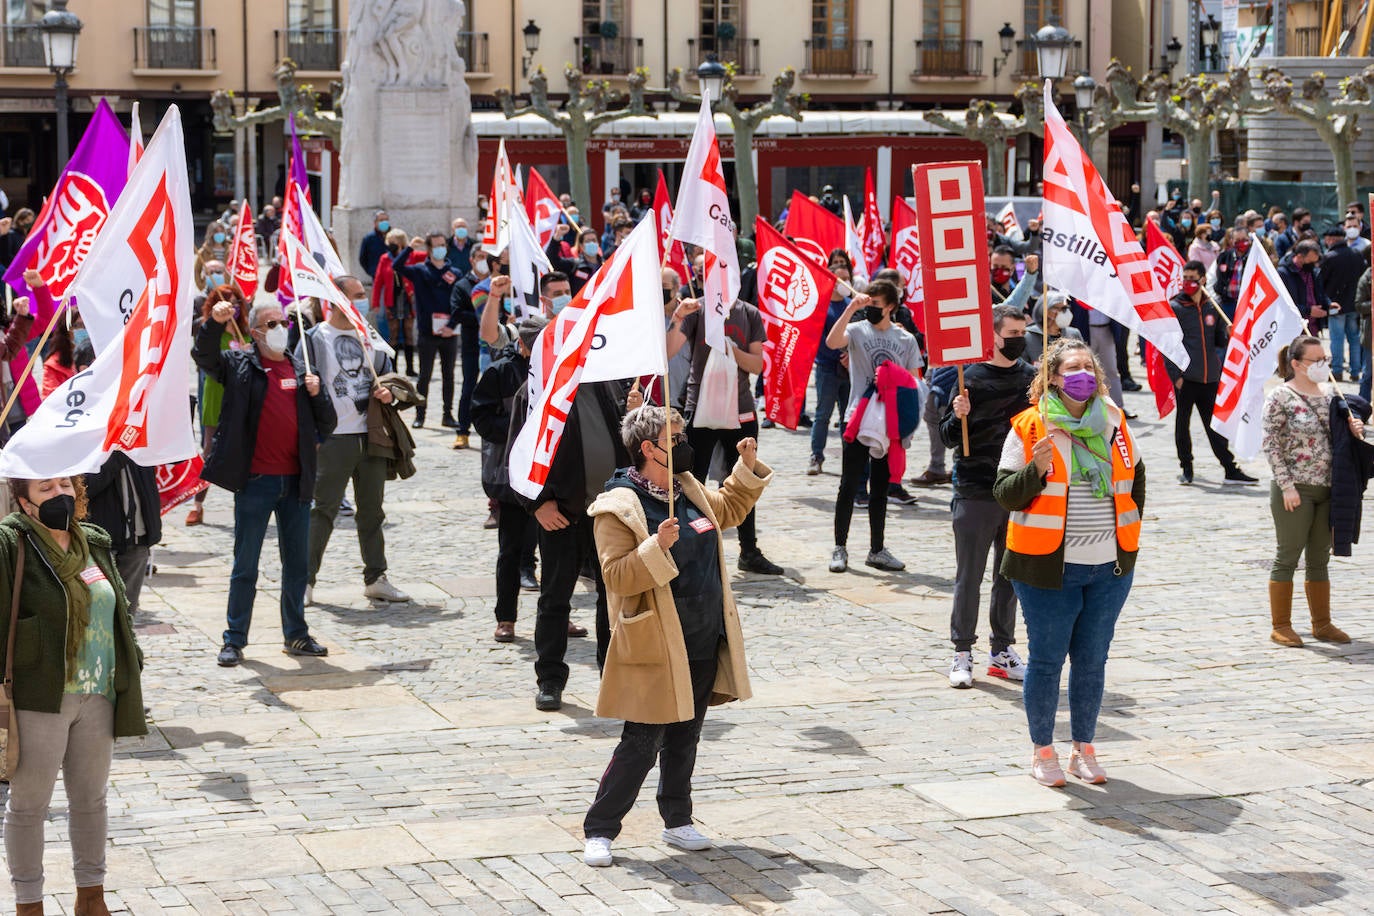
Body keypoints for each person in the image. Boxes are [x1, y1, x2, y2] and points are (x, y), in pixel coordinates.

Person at [581, 407, 770, 868]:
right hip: (657, 642)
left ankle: (677, 818)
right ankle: (600, 829)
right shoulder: (618, 507)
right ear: (648, 448)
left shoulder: (685, 485)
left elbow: (724, 511)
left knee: (687, 733)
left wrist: (744, 467)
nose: (685, 442)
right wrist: (654, 546)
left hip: (704, 633)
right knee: (642, 742)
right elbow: (616, 577)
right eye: (676, 436)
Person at [994, 339, 1146, 788]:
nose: (1082, 375)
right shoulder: (1030, 426)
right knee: (1046, 661)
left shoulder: (1115, 421)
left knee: (1093, 660)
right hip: (1046, 568)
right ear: (1054, 378)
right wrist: (1034, 470)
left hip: (1109, 567)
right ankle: (1044, 752)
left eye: (1088, 367)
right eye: (1072, 368)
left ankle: (1085, 748)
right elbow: (1005, 494)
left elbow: (1136, 480)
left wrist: (1127, 538)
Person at [1, 474, 145, 915]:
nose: (60, 494)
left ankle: (91, 897)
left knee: (91, 800)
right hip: (40, 695)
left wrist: (132, 662)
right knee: (29, 805)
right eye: (45, 488)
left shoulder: (94, 542)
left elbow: (118, 606)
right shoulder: (10, 544)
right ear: (24, 502)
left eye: (65, 484)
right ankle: (29, 903)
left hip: (98, 692)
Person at [194, 300, 337, 667]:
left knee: (297, 565)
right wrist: (214, 323)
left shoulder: (302, 365)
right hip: (256, 482)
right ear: (255, 332)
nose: (279, 327)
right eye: (271, 323)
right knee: (246, 565)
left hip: (296, 483)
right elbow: (205, 357)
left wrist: (317, 393)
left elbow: (328, 423)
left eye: (282, 321)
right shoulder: (240, 364)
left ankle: (297, 635)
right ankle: (234, 639)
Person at [512, 367, 636, 712]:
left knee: (611, 598)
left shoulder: (607, 381)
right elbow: (518, 453)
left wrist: (635, 414)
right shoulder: (537, 389)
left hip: (608, 512)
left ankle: (612, 679)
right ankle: (550, 680)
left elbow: (626, 443)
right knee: (555, 598)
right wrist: (537, 504)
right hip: (562, 515)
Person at [299, 276, 411, 607]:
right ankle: (304, 581)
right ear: (336, 300)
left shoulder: (369, 335)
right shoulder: (314, 338)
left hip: (371, 435)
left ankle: (376, 577)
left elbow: (392, 376)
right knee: (323, 510)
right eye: (357, 296)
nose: (363, 301)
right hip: (333, 439)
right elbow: (298, 382)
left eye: (364, 295)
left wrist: (390, 392)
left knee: (372, 511)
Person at [942, 304, 1036, 688]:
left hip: (1017, 490)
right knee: (970, 576)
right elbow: (948, 436)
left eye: (1023, 332)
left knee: (1009, 576)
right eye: (1013, 333)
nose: (1020, 340)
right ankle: (962, 652)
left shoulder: (1032, 378)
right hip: (975, 489)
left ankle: (1001, 651)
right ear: (993, 336)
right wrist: (957, 413)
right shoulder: (970, 378)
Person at [667, 290, 783, 576]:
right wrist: (679, 316)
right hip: (701, 407)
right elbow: (668, 351)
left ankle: (749, 550)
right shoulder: (697, 309)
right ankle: (688, 550)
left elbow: (757, 365)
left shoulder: (749, 313)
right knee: (691, 482)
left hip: (741, 409)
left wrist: (730, 348)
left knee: (745, 480)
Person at [1261, 335, 1364, 647]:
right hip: (1296, 489)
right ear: (1296, 364)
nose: (1323, 365)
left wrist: (1354, 429)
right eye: (1316, 360)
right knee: (1288, 555)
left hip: (1329, 488)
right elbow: (1270, 444)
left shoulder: (1332, 395)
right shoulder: (1280, 396)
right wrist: (1287, 486)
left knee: (1319, 557)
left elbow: (1340, 441)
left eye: (1326, 360)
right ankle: (1281, 625)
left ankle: (1322, 623)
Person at [823, 279, 921, 573]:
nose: (871, 310)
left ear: (891, 306)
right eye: (869, 303)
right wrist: (852, 306)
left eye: (876, 305)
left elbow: (915, 380)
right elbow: (831, 342)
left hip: (889, 422)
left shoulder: (905, 340)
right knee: (849, 484)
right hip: (857, 416)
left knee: (880, 487)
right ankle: (840, 547)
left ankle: (877, 549)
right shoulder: (856, 330)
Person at [473, 315, 546, 643]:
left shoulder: (561, 369)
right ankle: (506, 618)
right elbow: (482, 418)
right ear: (522, 345)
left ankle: (557, 616)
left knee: (557, 552)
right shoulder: (500, 372)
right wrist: (521, 432)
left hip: (552, 473)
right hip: (513, 474)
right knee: (511, 549)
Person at [1165, 260, 1257, 486]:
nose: (1188, 283)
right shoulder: (1176, 307)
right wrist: (1176, 375)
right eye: (1185, 278)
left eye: (1192, 279)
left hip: (1210, 378)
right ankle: (1186, 467)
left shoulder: (1211, 306)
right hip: (1186, 379)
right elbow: (1167, 345)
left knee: (1215, 425)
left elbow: (1217, 340)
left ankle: (1229, 468)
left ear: (1203, 280)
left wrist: (1228, 334)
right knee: (1182, 424)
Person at [187, 284, 251, 526]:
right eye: (227, 302)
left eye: (236, 303)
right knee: (210, 452)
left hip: (242, 399)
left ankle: (243, 503)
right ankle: (197, 503)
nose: (232, 307)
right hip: (216, 395)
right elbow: (203, 354)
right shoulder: (211, 332)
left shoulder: (245, 332)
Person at [390, 233, 460, 429]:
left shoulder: (454, 272)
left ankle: (448, 414)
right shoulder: (420, 270)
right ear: (429, 249)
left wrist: (452, 325)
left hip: (449, 332)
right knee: (424, 375)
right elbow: (396, 266)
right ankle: (420, 414)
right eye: (436, 245)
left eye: (442, 245)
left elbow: (460, 302)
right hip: (427, 332)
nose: (440, 248)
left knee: (449, 375)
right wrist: (409, 248)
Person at [83, 453, 161, 620]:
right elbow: (85, 488)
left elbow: (173, 454)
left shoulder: (136, 439)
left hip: (138, 536)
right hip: (102, 540)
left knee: (127, 613)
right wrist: (118, 455)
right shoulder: (87, 438)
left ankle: (126, 645)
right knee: (99, 612)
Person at [808, 250, 854, 475]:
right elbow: (819, 339)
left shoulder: (852, 305)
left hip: (849, 369)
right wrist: (838, 356)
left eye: (847, 278)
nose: (845, 283)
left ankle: (850, 456)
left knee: (848, 415)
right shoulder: (822, 305)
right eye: (841, 279)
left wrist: (850, 356)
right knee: (823, 415)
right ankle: (816, 455)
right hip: (827, 368)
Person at [1322, 223, 1367, 383]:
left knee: (1337, 339)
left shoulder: (1329, 257)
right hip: (1354, 304)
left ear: (1332, 239)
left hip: (1335, 305)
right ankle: (1355, 371)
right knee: (1354, 338)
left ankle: (1337, 370)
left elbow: (1322, 281)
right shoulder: (1357, 254)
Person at [358, 210, 391, 279]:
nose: (384, 222)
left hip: (393, 275)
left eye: (386, 220)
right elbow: (363, 258)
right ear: (375, 223)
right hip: (377, 276)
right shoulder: (369, 238)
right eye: (381, 220)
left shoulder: (394, 236)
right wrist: (372, 271)